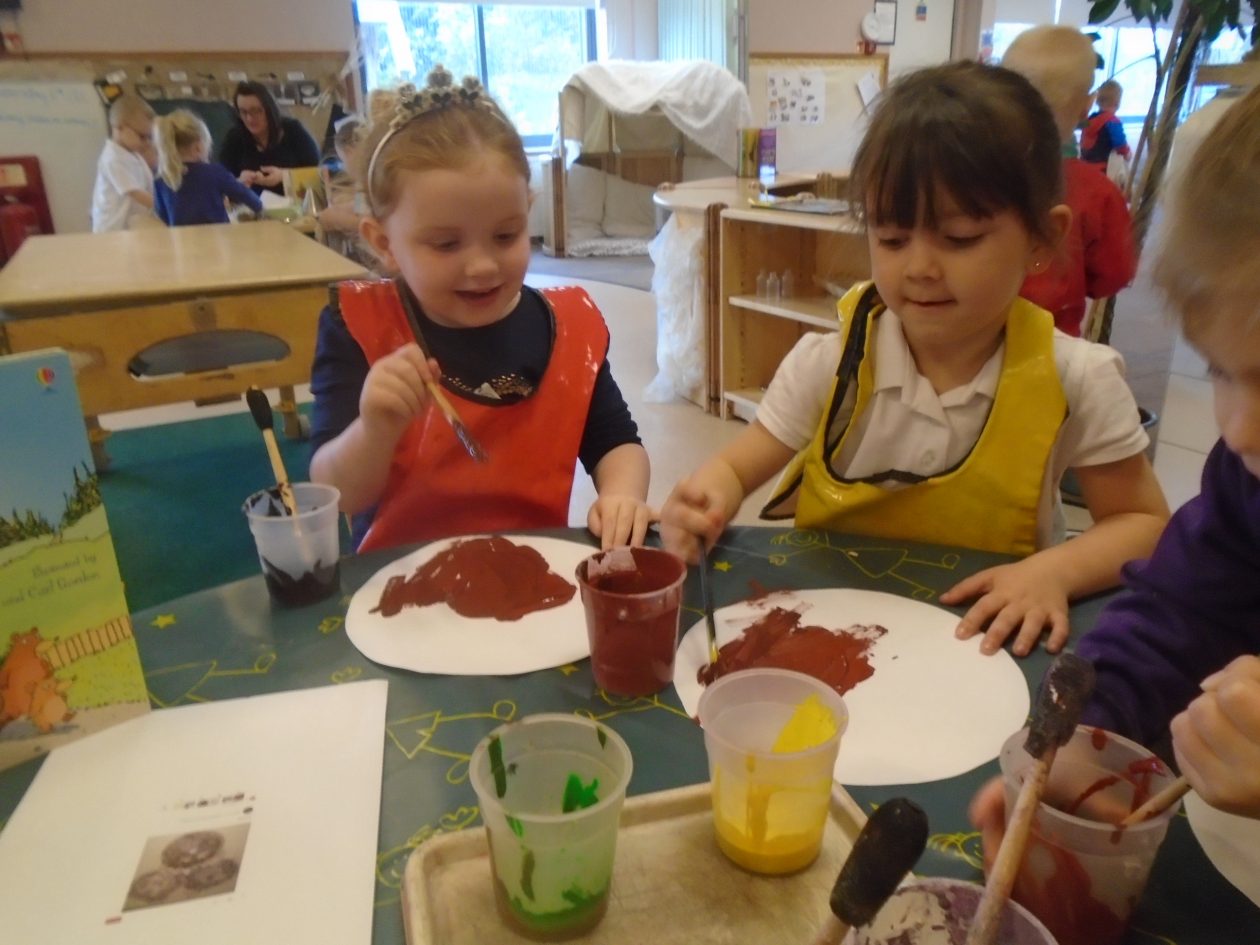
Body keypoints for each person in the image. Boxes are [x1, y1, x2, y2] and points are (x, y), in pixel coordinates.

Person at [659, 61, 1169, 658]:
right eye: (893, 239)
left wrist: (1055, 571)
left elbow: (1145, 526)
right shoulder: (828, 363)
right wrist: (707, 498)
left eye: (960, 239)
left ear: (1042, 239)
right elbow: (735, 468)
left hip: (981, 645)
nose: (920, 268)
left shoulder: (1077, 377)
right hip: (829, 638)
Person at [971, 86, 1260, 861]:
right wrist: (1082, 740)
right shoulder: (1248, 479)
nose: (1238, 429)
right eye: (1222, 371)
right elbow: (1179, 616)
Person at [308, 67, 652, 553]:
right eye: (446, 244)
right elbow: (337, 494)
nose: (483, 266)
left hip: (532, 573)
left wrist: (622, 495)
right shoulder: (359, 327)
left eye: (506, 235)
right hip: (401, 583)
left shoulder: (569, 330)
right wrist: (374, 429)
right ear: (384, 243)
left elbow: (616, 441)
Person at [1003, 25, 1136, 337]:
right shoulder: (1098, 192)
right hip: (1053, 343)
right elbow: (1113, 275)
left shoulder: (968, 174)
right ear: (1087, 105)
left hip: (968, 340)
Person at [152, 110, 263, 226]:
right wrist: (260, 208)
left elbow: (162, 216)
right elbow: (243, 194)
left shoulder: (162, 179)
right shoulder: (215, 172)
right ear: (198, 147)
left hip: (181, 236)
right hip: (217, 235)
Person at [217, 80, 320, 195]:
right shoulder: (235, 137)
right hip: (251, 203)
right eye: (243, 112)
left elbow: (318, 173)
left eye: (256, 111)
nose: (249, 118)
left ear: (269, 109)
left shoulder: (293, 130)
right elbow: (220, 180)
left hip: (294, 201)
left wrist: (284, 175)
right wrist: (237, 182)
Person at [91, 93, 157, 233]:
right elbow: (135, 192)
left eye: (149, 137)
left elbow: (148, 183)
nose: (147, 142)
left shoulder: (132, 154)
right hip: (112, 229)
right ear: (119, 128)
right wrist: (163, 206)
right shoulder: (113, 158)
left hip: (131, 226)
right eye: (142, 136)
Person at [317, 116, 369, 261]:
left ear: (349, 152)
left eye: (343, 160)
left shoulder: (369, 181)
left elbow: (364, 222)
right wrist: (339, 208)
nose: (344, 167)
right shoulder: (364, 182)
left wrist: (332, 218)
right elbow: (360, 209)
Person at [1081, 79, 1132, 167]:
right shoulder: (1112, 121)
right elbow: (1120, 143)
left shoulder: (1091, 118)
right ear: (1117, 103)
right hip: (1102, 165)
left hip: (1085, 162)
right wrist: (1127, 153)